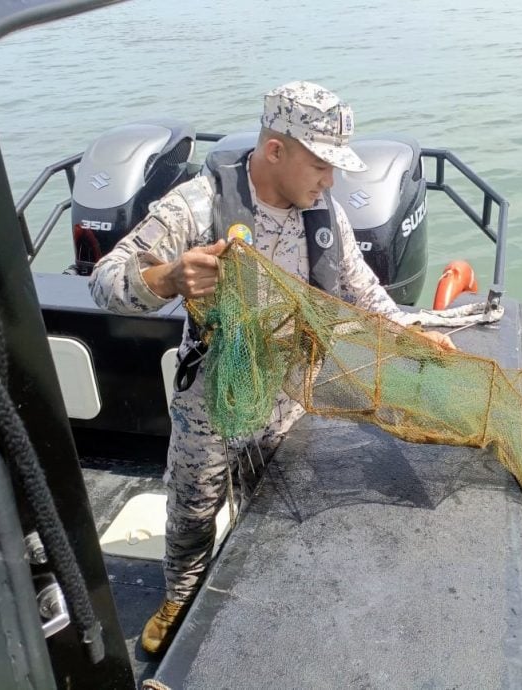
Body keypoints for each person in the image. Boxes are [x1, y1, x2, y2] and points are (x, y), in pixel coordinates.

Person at [89, 81, 455, 655]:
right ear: (276, 150)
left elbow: (363, 293)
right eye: (320, 164)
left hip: (286, 401)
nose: (330, 180)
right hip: (210, 402)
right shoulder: (198, 205)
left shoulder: (324, 212)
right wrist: (166, 278)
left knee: (270, 516)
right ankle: (180, 598)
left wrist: (413, 334)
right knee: (192, 507)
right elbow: (105, 281)